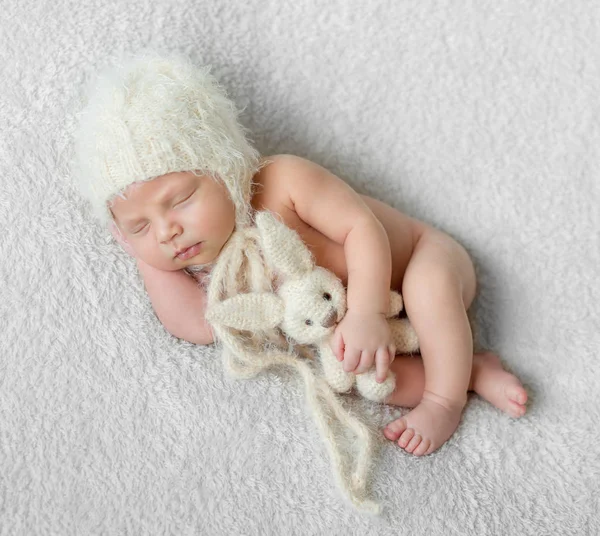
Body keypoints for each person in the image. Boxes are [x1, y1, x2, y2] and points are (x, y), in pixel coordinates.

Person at [74, 52, 527, 459]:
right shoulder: (213, 263)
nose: (168, 230)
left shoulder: (281, 180)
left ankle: (444, 400)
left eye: (180, 199)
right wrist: (144, 253)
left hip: (420, 262)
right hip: (359, 330)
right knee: (358, 375)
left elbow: (361, 229)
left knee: (426, 290)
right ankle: (471, 371)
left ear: (222, 165)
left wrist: (367, 310)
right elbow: (197, 323)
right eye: (140, 225)